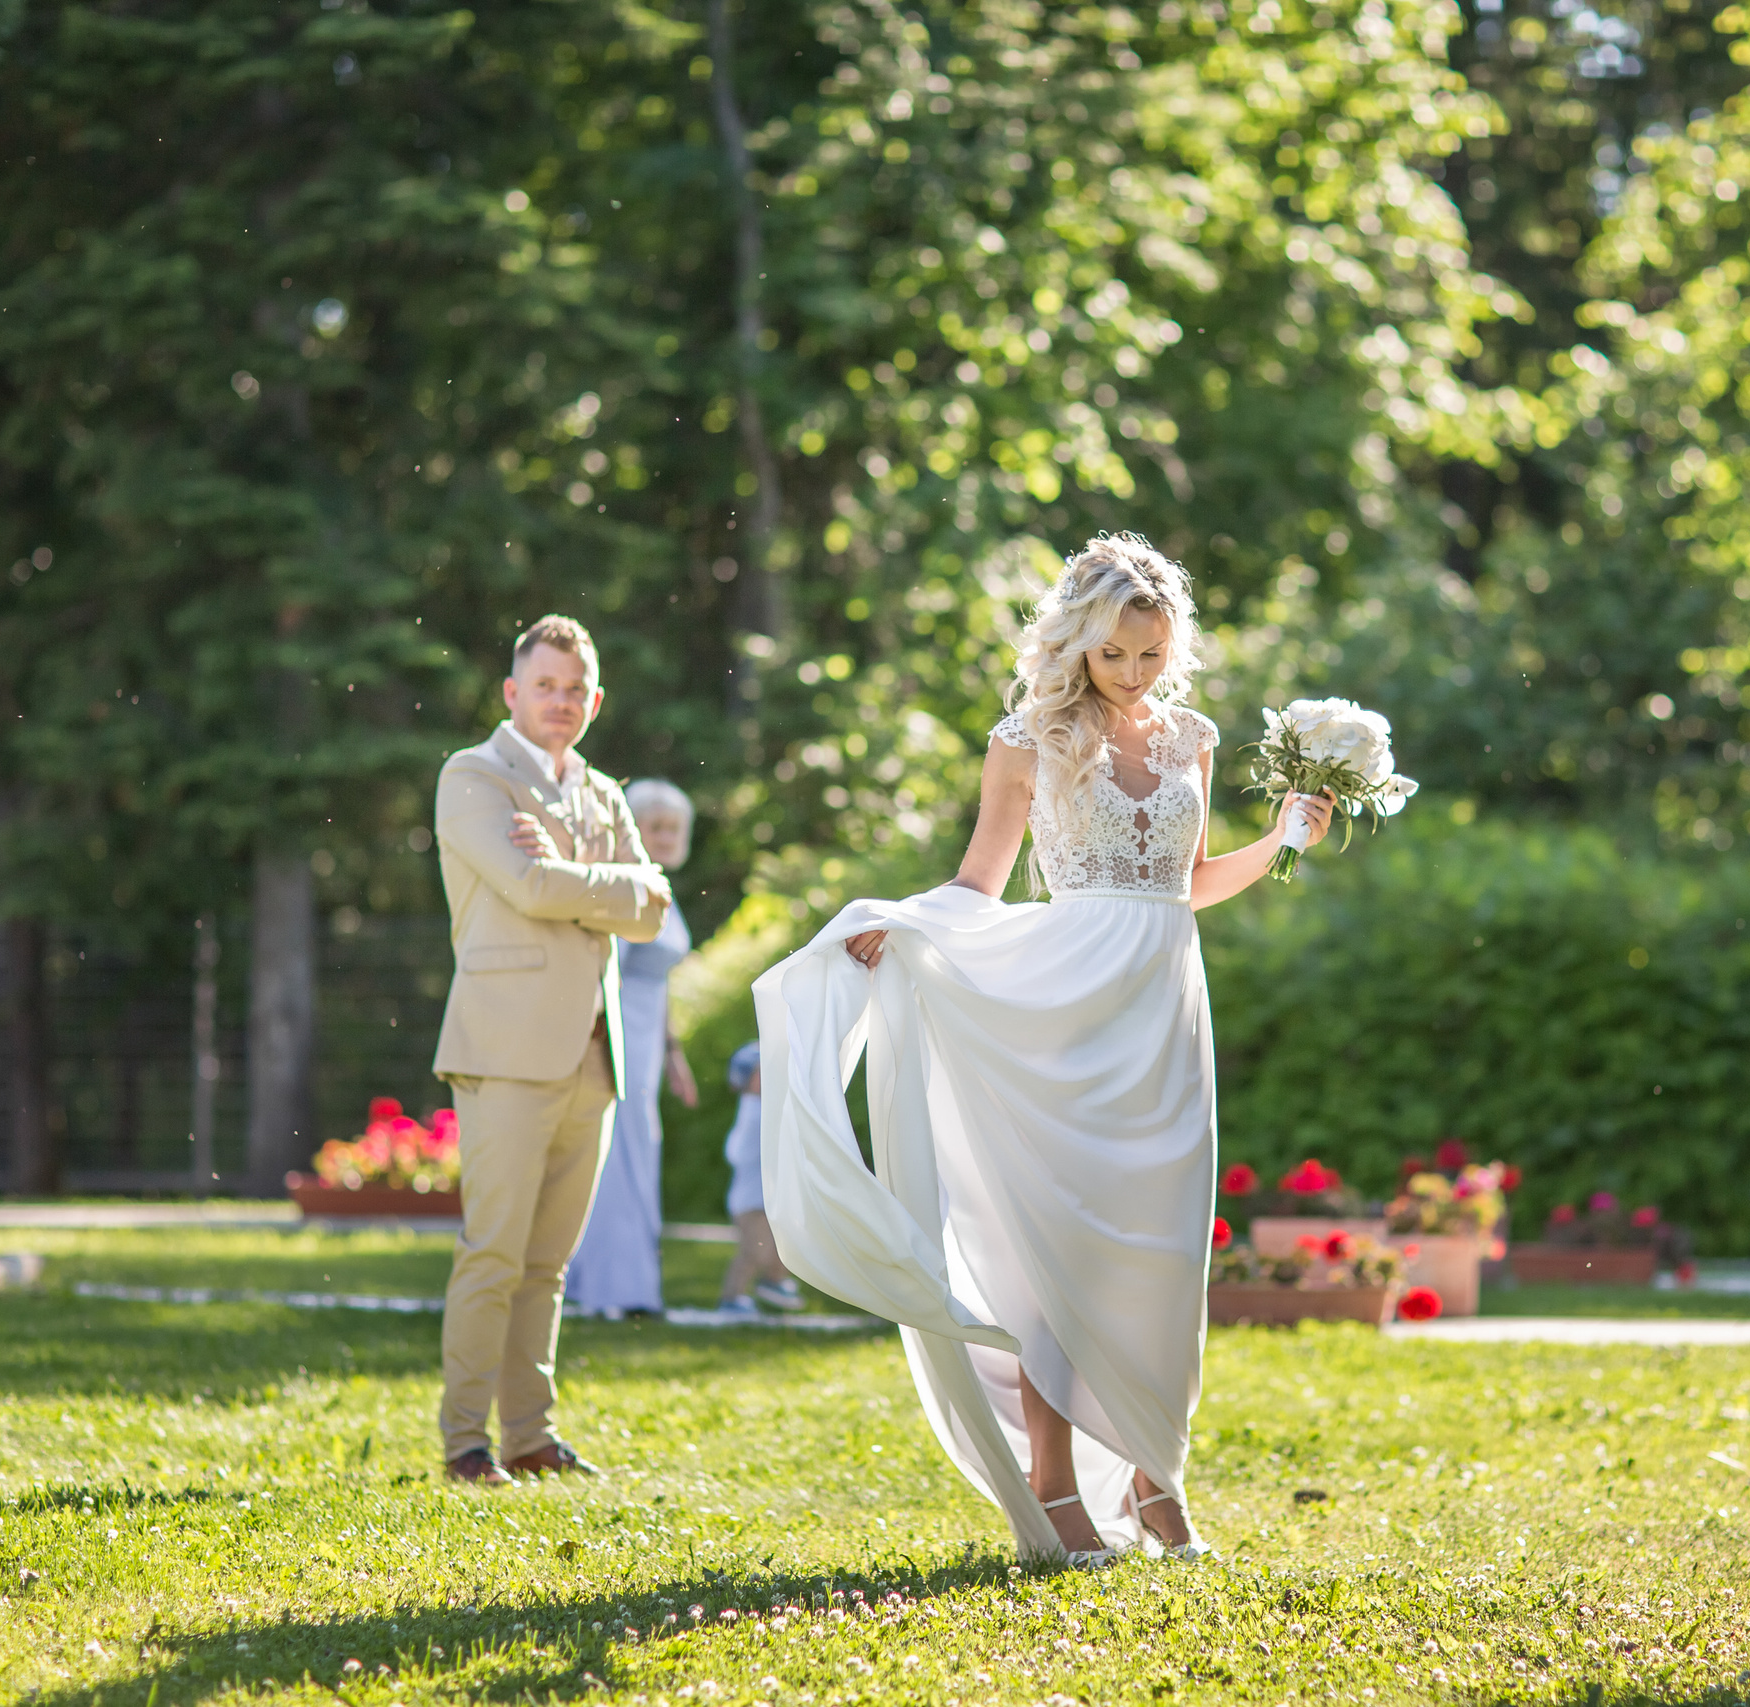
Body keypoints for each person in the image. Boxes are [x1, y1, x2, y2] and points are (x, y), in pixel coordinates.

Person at [751, 534, 1333, 1562]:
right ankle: (1055, 1486)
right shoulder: (1027, 738)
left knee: (1161, 1250)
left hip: (1164, 1014)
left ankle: (1157, 1482)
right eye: (1114, 654)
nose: (1134, 672)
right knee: (1057, 1244)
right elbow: (981, 879)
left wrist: (1284, 839)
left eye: (1152, 654)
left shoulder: (1192, 737)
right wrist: (906, 925)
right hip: (1063, 1009)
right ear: (1076, 642)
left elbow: (1187, 883)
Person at [430, 614, 671, 1486]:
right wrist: (605, 881)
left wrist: (569, 868)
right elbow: (529, 888)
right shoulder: (473, 775)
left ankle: (529, 1435)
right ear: (512, 692)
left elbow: (656, 907)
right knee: (494, 1252)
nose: (561, 701)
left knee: (549, 1264)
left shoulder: (603, 791)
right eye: (546, 685)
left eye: (576, 689)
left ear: (595, 701)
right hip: (505, 1049)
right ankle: (466, 1442)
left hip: (592, 1057)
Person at [554, 779, 700, 1318]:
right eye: (654, 826)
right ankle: (610, 1287)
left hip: (648, 1042)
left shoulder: (660, 888)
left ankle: (626, 1283)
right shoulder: (623, 889)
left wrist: (674, 1053)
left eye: (674, 828)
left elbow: (658, 985)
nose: (665, 836)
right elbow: (601, 973)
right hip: (614, 1037)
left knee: (640, 1147)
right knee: (617, 1151)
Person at [715, 1041, 800, 1314]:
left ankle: (773, 1281)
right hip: (751, 1201)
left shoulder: (762, 1107)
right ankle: (731, 1298)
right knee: (754, 1251)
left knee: (782, 1244)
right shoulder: (754, 1110)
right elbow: (737, 1152)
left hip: (764, 1198)